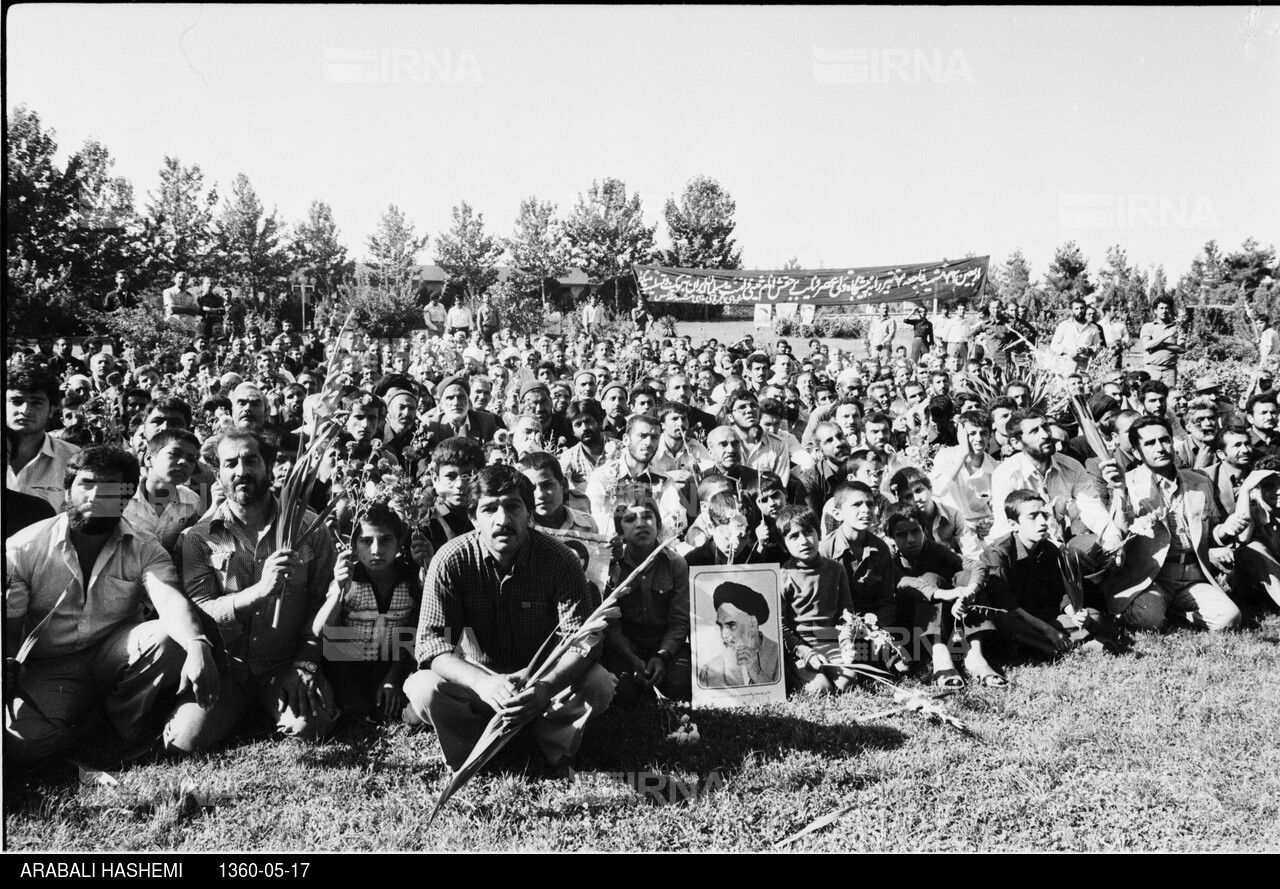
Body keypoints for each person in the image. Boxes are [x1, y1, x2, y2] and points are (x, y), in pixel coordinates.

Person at [5, 446, 219, 767]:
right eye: (86, 484)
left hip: (114, 652)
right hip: (51, 665)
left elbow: (169, 599)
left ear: (127, 496)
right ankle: (93, 716)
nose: (95, 496)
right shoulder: (24, 548)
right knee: (26, 743)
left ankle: (126, 725)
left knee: (168, 637)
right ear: (67, 490)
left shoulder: (146, 548)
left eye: (110, 488)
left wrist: (197, 643)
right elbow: (10, 626)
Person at [403, 465, 616, 771]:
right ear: (474, 517)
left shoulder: (560, 560)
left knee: (598, 684)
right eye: (490, 509)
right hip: (477, 684)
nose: (503, 520)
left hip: (540, 683)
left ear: (529, 514)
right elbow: (430, 643)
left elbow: (584, 642)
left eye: (513, 507)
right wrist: (483, 683)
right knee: (423, 688)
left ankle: (549, 742)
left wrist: (543, 687)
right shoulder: (451, 560)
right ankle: (474, 749)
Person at [167, 429, 339, 752]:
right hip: (228, 669)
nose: (241, 471)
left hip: (284, 664)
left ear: (269, 467)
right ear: (218, 473)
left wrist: (306, 663)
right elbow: (202, 608)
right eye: (230, 463)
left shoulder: (309, 529)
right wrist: (260, 592)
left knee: (311, 729)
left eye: (251, 460)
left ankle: (279, 702)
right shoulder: (200, 538)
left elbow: (323, 601)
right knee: (182, 742)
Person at [1104, 416, 1244, 633]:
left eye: (1165, 440)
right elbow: (1118, 535)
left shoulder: (1199, 482)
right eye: (1150, 443)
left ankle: (1178, 610)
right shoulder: (1128, 483)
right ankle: (1158, 607)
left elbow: (1210, 531)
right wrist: (1120, 493)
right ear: (1136, 452)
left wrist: (1223, 532)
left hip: (1193, 575)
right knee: (1147, 620)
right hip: (1151, 578)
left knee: (1230, 619)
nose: (1160, 448)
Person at [319, 503, 420, 723]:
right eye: (366, 541)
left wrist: (394, 676)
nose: (376, 550)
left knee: (409, 712)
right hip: (350, 665)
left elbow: (415, 629)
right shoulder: (349, 579)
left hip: (395, 662)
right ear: (354, 546)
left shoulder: (410, 579)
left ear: (400, 543)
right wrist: (338, 588)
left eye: (385, 540)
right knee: (356, 709)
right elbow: (320, 630)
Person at [883, 503, 1003, 687]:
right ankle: (941, 658)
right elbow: (905, 583)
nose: (911, 539)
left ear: (924, 530)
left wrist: (968, 592)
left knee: (965, 577)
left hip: (945, 621)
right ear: (890, 538)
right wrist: (945, 594)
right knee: (929, 578)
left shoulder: (933, 548)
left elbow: (976, 566)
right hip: (910, 626)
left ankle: (975, 656)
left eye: (916, 531)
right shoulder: (889, 556)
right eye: (901, 535)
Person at [984, 489, 1111, 656]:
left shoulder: (1049, 549)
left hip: (1042, 616)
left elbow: (1059, 593)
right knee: (1007, 623)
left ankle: (1045, 646)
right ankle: (1068, 646)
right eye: (1032, 516)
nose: (1042, 522)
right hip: (1015, 616)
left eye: (1043, 515)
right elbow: (1006, 605)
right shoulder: (998, 554)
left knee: (1093, 616)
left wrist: (1073, 613)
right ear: (1013, 524)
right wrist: (1049, 631)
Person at [602, 497, 692, 703]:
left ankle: (656, 672)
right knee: (622, 692)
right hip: (626, 646)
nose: (641, 524)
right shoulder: (612, 567)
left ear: (659, 525)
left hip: (663, 643)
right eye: (630, 519)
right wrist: (631, 659)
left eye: (647, 517)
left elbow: (679, 621)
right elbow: (610, 623)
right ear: (620, 532)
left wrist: (662, 656)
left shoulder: (676, 564)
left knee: (679, 685)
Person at [777, 505, 857, 696]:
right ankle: (794, 676)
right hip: (799, 648)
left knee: (849, 681)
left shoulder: (836, 569)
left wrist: (846, 641)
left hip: (830, 645)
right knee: (820, 689)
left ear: (819, 533)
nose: (804, 541)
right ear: (783, 544)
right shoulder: (782, 576)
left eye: (808, 532)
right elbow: (781, 626)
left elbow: (846, 613)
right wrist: (805, 652)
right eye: (794, 537)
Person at [6, 362, 82, 509]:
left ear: (52, 409)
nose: (25, 410)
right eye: (16, 401)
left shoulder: (74, 458)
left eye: (36, 402)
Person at [696, 581, 781, 689]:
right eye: (721, 626)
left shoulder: (779, 658)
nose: (723, 635)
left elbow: (780, 695)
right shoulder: (709, 671)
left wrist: (758, 675)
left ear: (752, 623)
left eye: (731, 625)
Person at [1049, 296, 1103, 376]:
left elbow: (1098, 347)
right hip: (1064, 365)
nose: (1080, 311)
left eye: (1082, 308)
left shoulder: (1093, 328)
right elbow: (1054, 345)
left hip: (1083, 366)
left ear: (1085, 309)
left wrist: (1087, 350)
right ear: (1071, 311)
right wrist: (1068, 351)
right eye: (1076, 309)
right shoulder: (1064, 325)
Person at [1139, 295, 1185, 386]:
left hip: (1169, 371)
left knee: (1169, 397)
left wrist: (1162, 345)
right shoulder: (1148, 327)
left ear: (1171, 310)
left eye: (1167, 308)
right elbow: (1147, 345)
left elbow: (1182, 349)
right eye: (1161, 308)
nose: (1164, 311)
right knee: (1151, 395)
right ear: (1155, 311)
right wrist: (1167, 335)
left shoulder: (1177, 328)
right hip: (1152, 369)